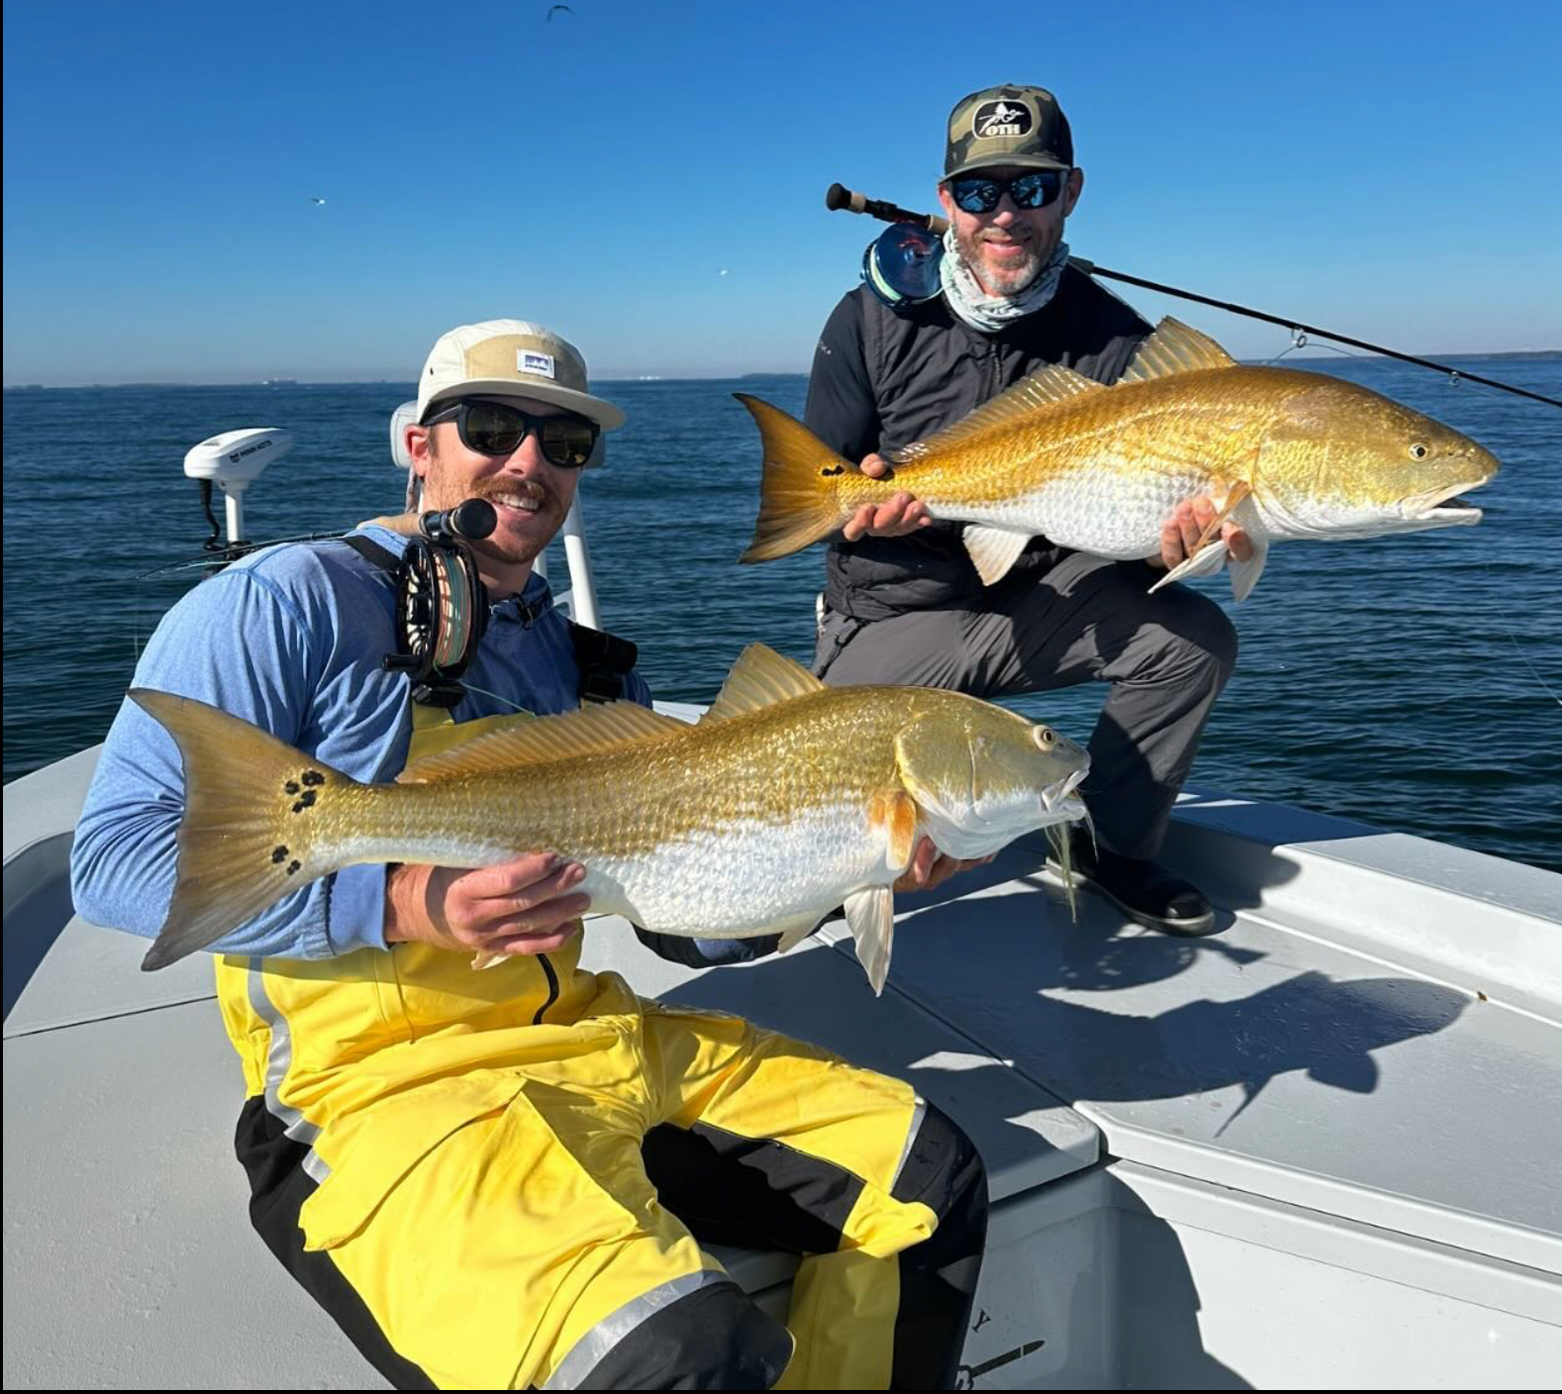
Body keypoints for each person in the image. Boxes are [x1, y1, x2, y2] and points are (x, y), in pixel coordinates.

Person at [71, 319, 988, 1391]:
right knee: (675, 1357)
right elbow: (116, 859)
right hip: (384, 1090)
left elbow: (679, 921)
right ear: (419, 446)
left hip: (593, 1038)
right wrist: (408, 900)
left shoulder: (585, 665)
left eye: (564, 444)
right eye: (493, 427)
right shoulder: (283, 602)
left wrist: (849, 871)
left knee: (926, 1181)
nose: (529, 463)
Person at [805, 85, 1250, 935]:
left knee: (1197, 639)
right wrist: (852, 508)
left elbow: (1126, 521)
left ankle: (1110, 847)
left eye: (1031, 189)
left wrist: (1175, 548)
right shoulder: (869, 320)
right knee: (824, 863)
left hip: (1037, 602)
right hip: (899, 613)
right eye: (979, 192)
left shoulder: (1121, 343)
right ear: (947, 203)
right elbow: (821, 485)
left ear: (1070, 192)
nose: (1004, 216)